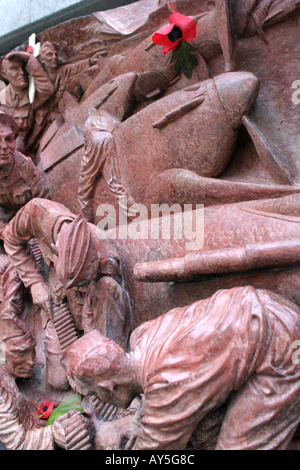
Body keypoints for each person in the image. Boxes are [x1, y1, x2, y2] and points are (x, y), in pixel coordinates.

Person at [63, 286, 300, 450]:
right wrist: (136, 421)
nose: (100, 400)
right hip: (270, 309)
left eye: (95, 394)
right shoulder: (142, 336)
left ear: (110, 388)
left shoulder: (166, 386)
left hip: (281, 349)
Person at [2, 197, 131, 350]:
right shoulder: (38, 211)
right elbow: (10, 239)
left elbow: (101, 319)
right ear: (54, 249)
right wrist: (34, 283)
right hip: (51, 292)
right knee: (54, 356)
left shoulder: (106, 263)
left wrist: (89, 332)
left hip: (86, 308)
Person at [0, 311, 91, 450]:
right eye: (20, 353)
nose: (31, 361)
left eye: (32, 351)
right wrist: (53, 434)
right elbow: (17, 444)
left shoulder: (10, 379)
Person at [0, 51, 54, 151]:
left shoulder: (32, 93)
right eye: (14, 68)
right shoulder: (2, 97)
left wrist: (30, 60)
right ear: (4, 74)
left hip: (27, 143)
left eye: (23, 68)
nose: (21, 72)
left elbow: (48, 90)